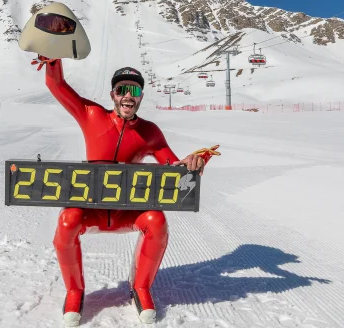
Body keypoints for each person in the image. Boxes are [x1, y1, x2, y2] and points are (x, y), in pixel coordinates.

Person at [32, 55, 219, 326]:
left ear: (141, 96)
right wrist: (52, 61)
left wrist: (193, 162)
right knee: (67, 219)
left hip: (125, 212)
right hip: (92, 211)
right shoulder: (91, 115)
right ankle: (75, 290)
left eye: (135, 90)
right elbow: (58, 86)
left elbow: (173, 167)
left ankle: (141, 286)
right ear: (113, 94)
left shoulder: (149, 132)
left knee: (156, 219)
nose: (128, 96)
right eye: (123, 90)